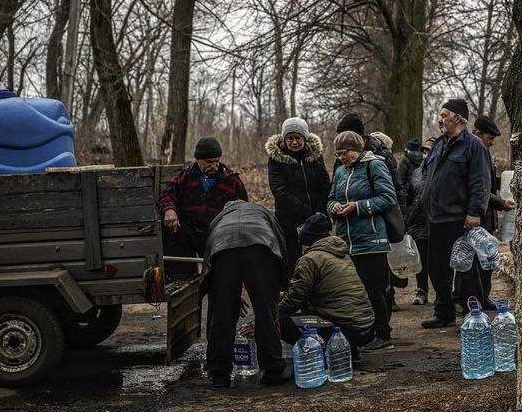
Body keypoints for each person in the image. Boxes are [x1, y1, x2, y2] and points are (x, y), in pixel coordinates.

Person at [418, 98, 492, 328]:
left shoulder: (473, 145)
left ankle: (475, 315)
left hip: (460, 219)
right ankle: (444, 312)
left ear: (458, 118)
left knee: (466, 270)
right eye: (440, 115)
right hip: (435, 218)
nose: (440, 119)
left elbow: (481, 182)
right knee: (437, 269)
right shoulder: (439, 143)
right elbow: (426, 175)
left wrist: (475, 212)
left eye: (444, 115)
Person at [203, 200, 289, 388]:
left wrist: (218, 291)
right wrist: (282, 281)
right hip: (261, 247)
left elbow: (208, 253)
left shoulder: (219, 219)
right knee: (266, 310)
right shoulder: (262, 212)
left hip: (223, 250)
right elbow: (280, 240)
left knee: (222, 313)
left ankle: (219, 373)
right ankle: (273, 368)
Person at [327, 130, 398, 351]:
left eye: (344, 153)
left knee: (374, 290)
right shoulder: (339, 171)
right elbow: (331, 199)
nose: (340, 157)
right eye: (337, 154)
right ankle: (364, 332)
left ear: (357, 149)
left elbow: (388, 198)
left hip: (372, 240)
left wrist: (357, 206)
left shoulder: (374, 165)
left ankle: (383, 334)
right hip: (346, 240)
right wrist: (334, 207)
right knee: (354, 291)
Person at [278, 213, 375, 360]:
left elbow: (294, 300)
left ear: (305, 239)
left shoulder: (310, 259)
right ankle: (349, 350)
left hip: (346, 331)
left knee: (281, 322)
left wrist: (273, 314)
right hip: (366, 327)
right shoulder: (341, 254)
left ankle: (332, 353)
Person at [159, 137, 248, 277]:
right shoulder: (186, 176)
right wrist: (169, 210)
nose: (213, 165)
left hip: (219, 233)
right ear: (198, 160)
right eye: (208, 162)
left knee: (224, 272)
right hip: (189, 231)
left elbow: (244, 208)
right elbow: (167, 195)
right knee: (171, 231)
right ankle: (181, 280)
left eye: (216, 161)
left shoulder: (231, 180)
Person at [266, 117, 331, 265]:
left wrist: (319, 212)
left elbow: (325, 184)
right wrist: (308, 213)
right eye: (290, 138)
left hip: (318, 219)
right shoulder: (276, 159)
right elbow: (280, 192)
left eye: (298, 138)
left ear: (305, 138)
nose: (294, 142)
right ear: (284, 139)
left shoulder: (316, 156)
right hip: (290, 222)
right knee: (294, 263)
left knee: (321, 261)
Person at [470, 115, 515, 309]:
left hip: (486, 217)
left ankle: (483, 297)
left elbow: (488, 183)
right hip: (478, 216)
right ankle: (472, 300)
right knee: (475, 262)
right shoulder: (473, 152)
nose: (491, 142)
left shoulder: (484, 152)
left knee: (486, 261)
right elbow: (478, 189)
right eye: (489, 138)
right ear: (478, 134)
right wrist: (500, 203)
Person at [406, 137, 435, 305]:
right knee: (421, 259)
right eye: (424, 151)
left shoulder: (441, 171)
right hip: (418, 221)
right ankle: (421, 290)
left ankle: (443, 294)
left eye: (429, 151)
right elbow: (410, 195)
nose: (425, 155)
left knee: (439, 262)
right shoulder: (416, 172)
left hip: (437, 220)